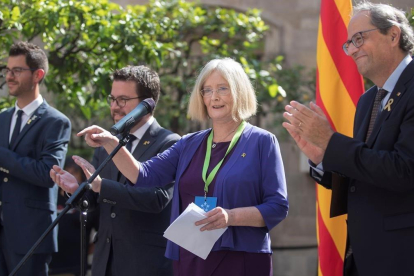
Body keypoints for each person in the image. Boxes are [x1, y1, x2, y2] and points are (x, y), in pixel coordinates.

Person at [56, 58, 289, 276]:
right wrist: (111, 142)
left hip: (240, 256)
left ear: (239, 92)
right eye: (207, 90)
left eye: (223, 88)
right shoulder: (190, 143)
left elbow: (277, 207)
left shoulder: (262, 141)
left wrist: (231, 216)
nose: (214, 96)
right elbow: (143, 174)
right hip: (191, 255)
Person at [282, 2, 414, 276]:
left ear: (393, 35)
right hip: (362, 255)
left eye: (359, 38)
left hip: (401, 255)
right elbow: (364, 173)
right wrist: (322, 158)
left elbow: (404, 171)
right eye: (348, 43)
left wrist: (332, 143)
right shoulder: (367, 101)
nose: (351, 50)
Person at [51, 65, 180, 276]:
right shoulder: (109, 143)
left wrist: (102, 186)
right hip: (105, 262)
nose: (115, 107)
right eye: (112, 99)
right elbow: (96, 203)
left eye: (123, 100)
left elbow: (157, 199)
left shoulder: (169, 142)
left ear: (146, 105)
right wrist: (76, 189)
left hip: (144, 264)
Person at [0, 42, 71, 276]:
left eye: (17, 70)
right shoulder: (2, 118)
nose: (9, 76)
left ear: (37, 75)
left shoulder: (56, 122)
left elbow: (47, 174)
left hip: (30, 234)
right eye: (7, 70)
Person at [49, 157, 99, 276]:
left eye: (74, 173)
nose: (70, 176)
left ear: (81, 176)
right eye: (67, 172)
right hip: (48, 265)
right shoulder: (51, 197)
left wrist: (87, 250)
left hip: (74, 267)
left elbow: (101, 232)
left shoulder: (88, 202)